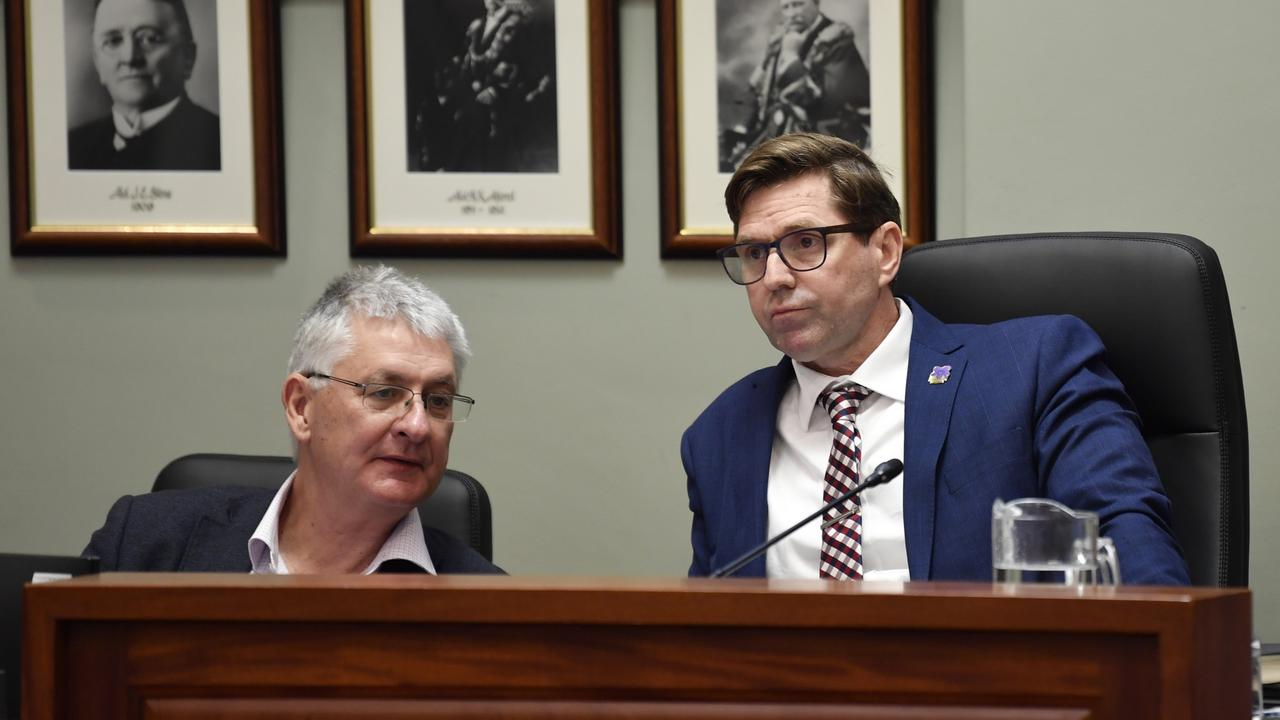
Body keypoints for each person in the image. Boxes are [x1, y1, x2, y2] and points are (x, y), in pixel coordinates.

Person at [685, 132, 1189, 585]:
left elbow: (1133, 565)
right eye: (754, 253)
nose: (774, 277)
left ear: (884, 251)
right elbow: (708, 630)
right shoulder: (722, 433)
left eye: (805, 243)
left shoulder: (1033, 369)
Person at [84, 266, 501, 575]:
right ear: (301, 407)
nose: (417, 426)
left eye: (438, 400)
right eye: (384, 393)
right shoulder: (144, 542)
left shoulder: (489, 603)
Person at [68, 0, 221, 171]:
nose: (130, 58)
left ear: (187, 58)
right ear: (97, 63)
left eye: (149, 39)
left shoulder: (221, 145)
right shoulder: (71, 150)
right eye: (113, 41)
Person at [721, 0, 870, 171]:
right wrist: (746, 128)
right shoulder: (780, 39)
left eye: (798, 4)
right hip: (778, 138)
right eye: (786, 7)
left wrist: (791, 57)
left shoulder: (837, 39)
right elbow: (764, 92)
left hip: (826, 143)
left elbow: (826, 105)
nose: (792, 13)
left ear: (816, 3)